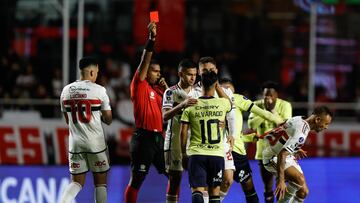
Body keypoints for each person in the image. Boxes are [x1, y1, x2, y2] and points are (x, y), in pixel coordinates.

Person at [219, 78, 284, 203]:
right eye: (224, 89)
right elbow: (262, 116)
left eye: (230, 90)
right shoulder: (215, 103)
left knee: (247, 187)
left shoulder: (236, 99)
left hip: (237, 150)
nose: (227, 93)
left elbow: (237, 133)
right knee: (221, 183)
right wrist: (283, 122)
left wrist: (248, 137)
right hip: (221, 150)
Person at [124, 22, 169, 203]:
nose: (158, 74)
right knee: (136, 181)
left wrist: (169, 92)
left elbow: (172, 112)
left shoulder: (160, 92)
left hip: (160, 138)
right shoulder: (139, 85)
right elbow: (145, 61)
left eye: (159, 71)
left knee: (175, 175)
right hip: (143, 139)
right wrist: (151, 40)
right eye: (154, 71)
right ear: (146, 71)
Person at [59, 56, 112, 203]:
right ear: (91, 71)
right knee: (100, 183)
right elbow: (108, 119)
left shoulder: (66, 91)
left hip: (75, 144)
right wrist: (98, 115)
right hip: (96, 144)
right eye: (96, 72)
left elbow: (67, 120)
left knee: (76, 182)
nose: (97, 75)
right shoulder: (99, 90)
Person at [261, 106, 333, 203]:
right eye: (326, 124)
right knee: (299, 179)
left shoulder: (299, 118)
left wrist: (295, 148)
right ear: (317, 119)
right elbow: (282, 155)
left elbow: (283, 130)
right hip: (273, 157)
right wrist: (281, 180)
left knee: (303, 192)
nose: (326, 127)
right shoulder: (302, 133)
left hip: (284, 154)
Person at [180, 70, 232, 203]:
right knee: (214, 194)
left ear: (200, 84)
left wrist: (183, 154)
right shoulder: (223, 104)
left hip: (197, 154)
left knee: (197, 190)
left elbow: (183, 132)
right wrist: (217, 86)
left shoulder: (190, 105)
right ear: (215, 85)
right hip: (216, 155)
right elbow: (229, 103)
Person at [192, 57, 236, 203]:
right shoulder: (194, 91)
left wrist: (232, 134)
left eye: (211, 70)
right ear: (199, 72)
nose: (208, 72)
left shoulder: (225, 92)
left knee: (228, 179)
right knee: (204, 184)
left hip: (221, 141)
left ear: (216, 71)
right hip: (201, 142)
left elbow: (231, 114)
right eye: (205, 70)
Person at [248, 81, 292, 203]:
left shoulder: (285, 105)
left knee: (280, 184)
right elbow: (252, 125)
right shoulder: (256, 105)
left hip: (280, 151)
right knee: (268, 187)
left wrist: (272, 112)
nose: (268, 98)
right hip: (263, 153)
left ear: (276, 95)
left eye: (271, 95)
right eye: (266, 95)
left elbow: (286, 125)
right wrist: (266, 113)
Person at [162, 59, 198, 203]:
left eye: (195, 74)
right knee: (175, 182)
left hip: (194, 142)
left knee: (198, 181)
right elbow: (165, 116)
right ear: (180, 74)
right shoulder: (170, 92)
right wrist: (182, 104)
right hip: (174, 143)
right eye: (189, 74)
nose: (193, 78)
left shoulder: (198, 92)